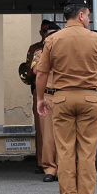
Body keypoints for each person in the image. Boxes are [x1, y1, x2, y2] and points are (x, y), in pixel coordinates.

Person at [36, 0, 97, 194]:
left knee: (64, 150)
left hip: (62, 98)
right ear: (81, 15)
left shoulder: (53, 39)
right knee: (87, 150)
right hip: (89, 98)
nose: (90, 19)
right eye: (89, 15)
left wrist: (40, 98)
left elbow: (41, 73)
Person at [22, 20, 53, 174]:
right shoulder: (35, 49)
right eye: (43, 31)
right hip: (41, 90)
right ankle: (42, 162)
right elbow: (31, 69)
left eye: (48, 30)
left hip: (60, 92)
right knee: (42, 129)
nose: (46, 33)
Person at [30, 23, 60, 182]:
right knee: (47, 136)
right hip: (47, 96)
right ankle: (50, 169)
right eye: (49, 36)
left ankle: (63, 168)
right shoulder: (39, 52)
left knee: (63, 135)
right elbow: (36, 70)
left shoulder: (66, 53)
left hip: (63, 96)